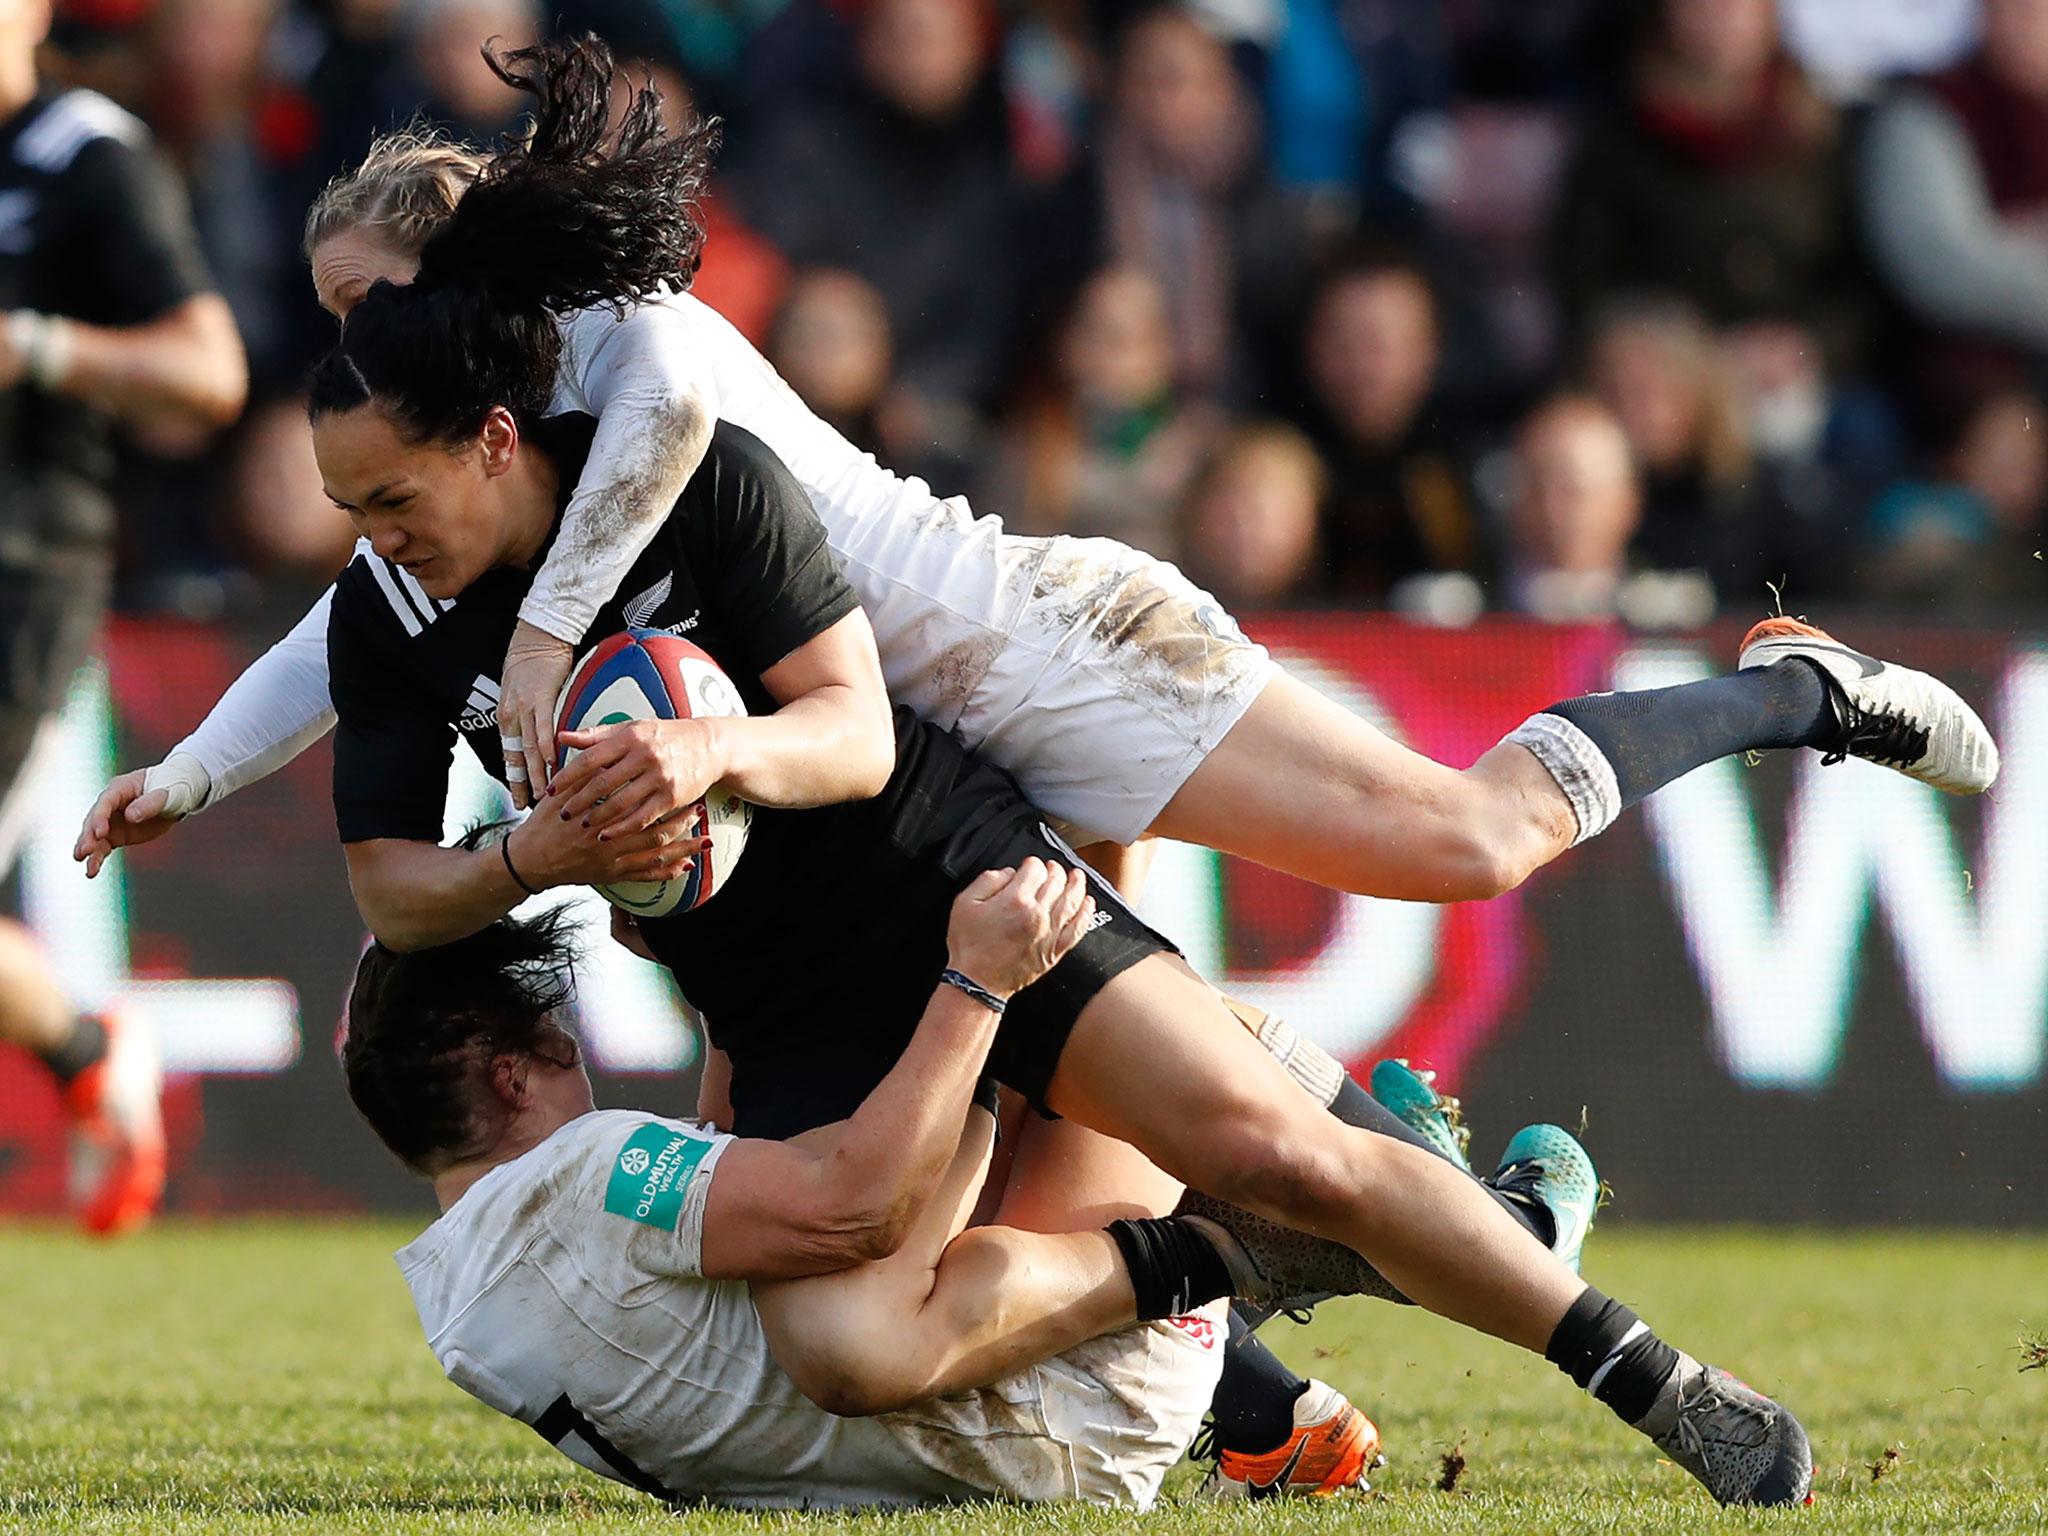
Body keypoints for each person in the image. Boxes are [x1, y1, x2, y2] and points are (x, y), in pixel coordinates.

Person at [294, 200, 1817, 1507]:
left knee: (1297, 1129)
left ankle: (1659, 1383)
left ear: (494, 439)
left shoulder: (701, 483)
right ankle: (1235, 1272)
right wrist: (538, 848)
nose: (371, 535)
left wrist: (713, 750)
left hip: (950, 866)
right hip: (789, 1006)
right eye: (347, 507)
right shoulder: (394, 616)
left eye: (391, 496)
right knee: (846, 1348)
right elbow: (387, 888)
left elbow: (854, 737)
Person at [80, 38, 1998, 925]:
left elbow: (671, 385)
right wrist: (182, 776)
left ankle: (1792, 691)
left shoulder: (606, 343)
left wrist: (565, 621)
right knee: (1091, 1079)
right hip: (913, 747)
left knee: (1457, 847)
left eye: (361, 308)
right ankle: (1350, 1289)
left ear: (448, 272)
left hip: (1040, 650)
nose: (347, 355)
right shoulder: (477, 463)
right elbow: (355, 627)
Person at [344, 868, 1404, 1510]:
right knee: (1082, 967)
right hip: (1072, 1403)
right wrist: (976, 995)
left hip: (995, 1424)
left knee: (1061, 1028)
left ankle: (1272, 1386)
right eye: (558, 1047)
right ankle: (1442, 1207)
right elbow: (871, 1208)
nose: (580, 1063)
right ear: (508, 1073)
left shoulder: (463, 1304)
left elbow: (737, 1148)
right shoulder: (587, 1175)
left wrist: (722, 986)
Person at [0, 0, 246, 1232]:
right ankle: (88, 1048)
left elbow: (209, 370)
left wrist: (35, 348)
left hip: (18, 570)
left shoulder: (86, 155)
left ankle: (88, 1051)